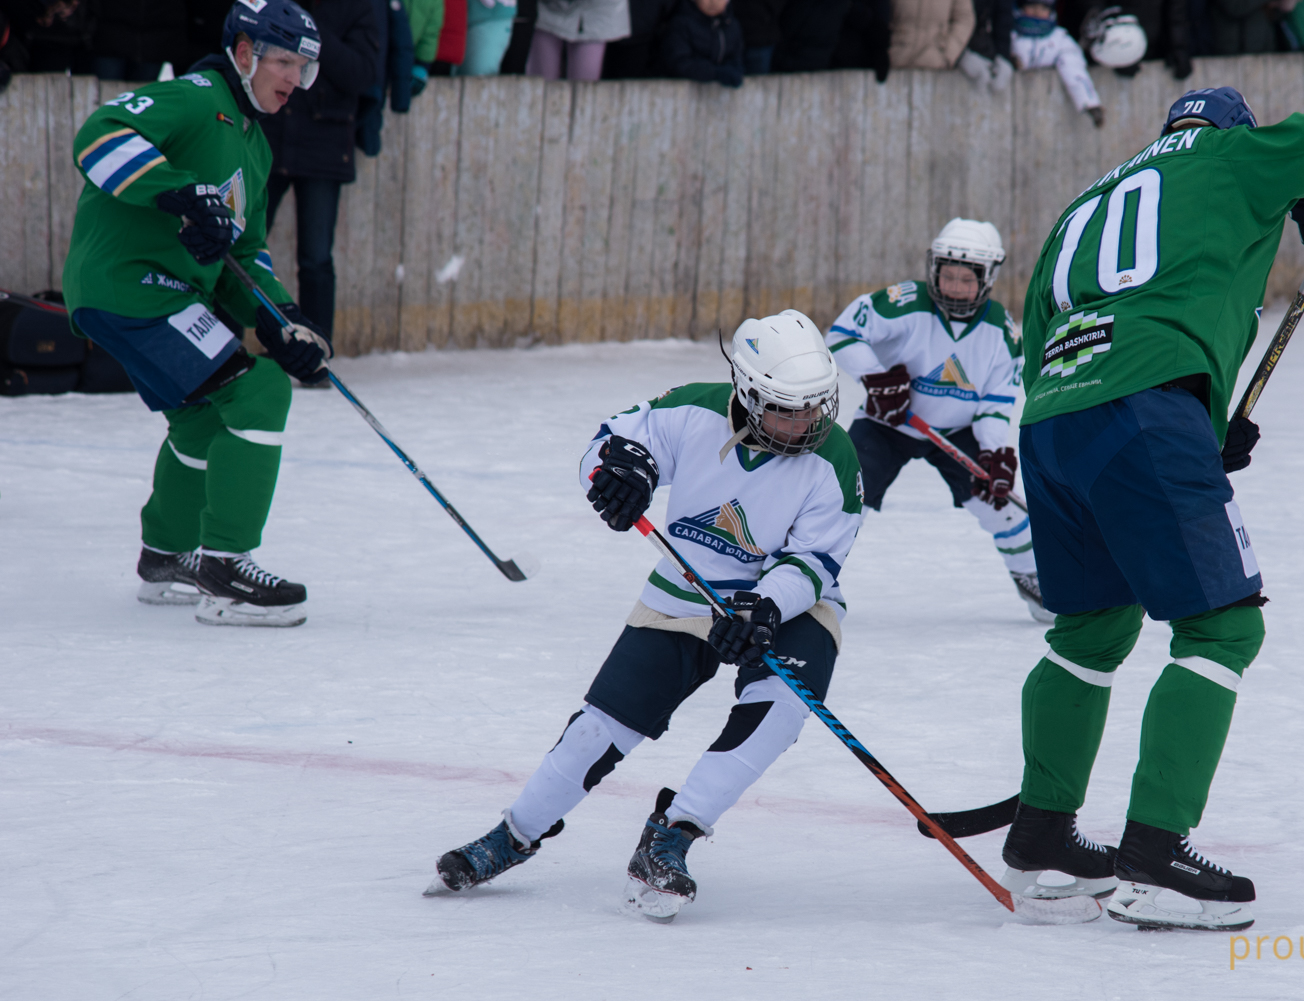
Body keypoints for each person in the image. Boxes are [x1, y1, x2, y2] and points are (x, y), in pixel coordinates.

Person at [1000, 86, 1304, 930]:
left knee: (1091, 629)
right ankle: (1154, 858)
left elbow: (1042, 339)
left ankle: (1040, 839)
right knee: (1223, 627)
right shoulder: (1232, 156)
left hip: (1053, 420)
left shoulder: (1084, 204)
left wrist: (1199, 422)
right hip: (1145, 403)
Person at [428, 310, 862, 923]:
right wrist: (622, 473)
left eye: (816, 406)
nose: (806, 423)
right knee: (596, 730)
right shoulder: (691, 410)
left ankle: (673, 834)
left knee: (779, 710)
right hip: (685, 590)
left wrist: (765, 606)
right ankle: (514, 834)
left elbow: (817, 559)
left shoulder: (835, 457)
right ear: (747, 392)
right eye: (788, 409)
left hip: (788, 604)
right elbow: (610, 442)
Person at [61, 0, 334, 628]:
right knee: (258, 391)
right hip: (132, 286)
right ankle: (226, 567)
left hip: (160, 294)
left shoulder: (254, 147)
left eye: (305, 68)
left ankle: (165, 558)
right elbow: (98, 134)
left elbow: (244, 252)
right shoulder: (194, 96)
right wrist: (177, 191)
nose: (294, 79)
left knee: (200, 422)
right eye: (285, 61)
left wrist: (281, 319)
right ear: (244, 54)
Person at [825, 219, 1046, 624]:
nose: (955, 288)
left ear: (987, 278)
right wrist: (877, 379)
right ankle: (810, 580)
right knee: (840, 500)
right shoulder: (904, 301)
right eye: (948, 276)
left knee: (1000, 504)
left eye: (966, 279)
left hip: (960, 430)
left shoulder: (1002, 331)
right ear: (934, 271)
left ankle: (1036, 579)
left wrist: (996, 451)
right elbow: (841, 335)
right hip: (888, 423)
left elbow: (996, 403)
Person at [261, 0, 381, 356]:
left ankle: (315, 354)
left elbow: (362, 73)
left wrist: (312, 35)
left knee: (315, 258)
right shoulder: (274, 6)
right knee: (244, 250)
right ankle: (227, 349)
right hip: (271, 140)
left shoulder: (356, 9)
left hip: (324, 144)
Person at [1012, 0, 1104, 127]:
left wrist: (1089, 102)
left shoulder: (1058, 38)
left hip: (1044, 107)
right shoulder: (1011, 35)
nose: (1037, 12)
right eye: (1032, 6)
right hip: (1014, 105)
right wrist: (1013, 62)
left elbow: (1074, 68)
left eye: (1043, 8)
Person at [658, 0, 743, 87]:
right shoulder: (681, 24)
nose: (712, 2)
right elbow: (679, 63)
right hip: (679, 91)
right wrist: (715, 73)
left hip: (717, 94)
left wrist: (732, 70)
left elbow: (736, 57)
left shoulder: (731, 25)